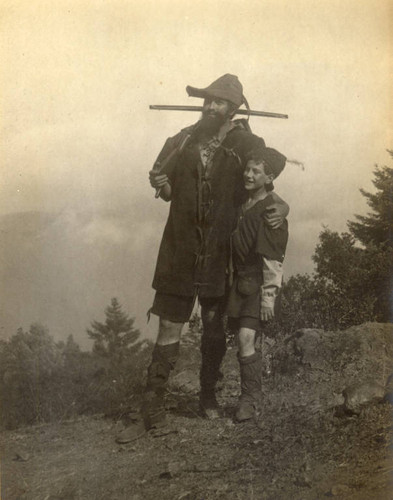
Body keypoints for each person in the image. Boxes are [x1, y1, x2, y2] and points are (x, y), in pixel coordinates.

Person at [116, 74, 289, 443]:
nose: (211, 106)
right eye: (208, 100)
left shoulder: (247, 144)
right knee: (168, 327)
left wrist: (281, 203)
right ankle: (153, 409)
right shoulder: (182, 140)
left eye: (220, 102)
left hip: (220, 256)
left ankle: (207, 394)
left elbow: (269, 173)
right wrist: (159, 183)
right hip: (179, 251)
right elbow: (165, 185)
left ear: (233, 108)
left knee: (213, 328)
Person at [226, 145, 288, 423]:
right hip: (237, 282)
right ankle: (246, 395)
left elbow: (273, 258)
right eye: (247, 169)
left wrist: (268, 299)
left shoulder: (270, 212)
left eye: (256, 171)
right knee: (242, 339)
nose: (248, 175)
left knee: (246, 338)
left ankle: (250, 400)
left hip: (258, 284)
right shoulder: (242, 204)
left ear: (269, 176)